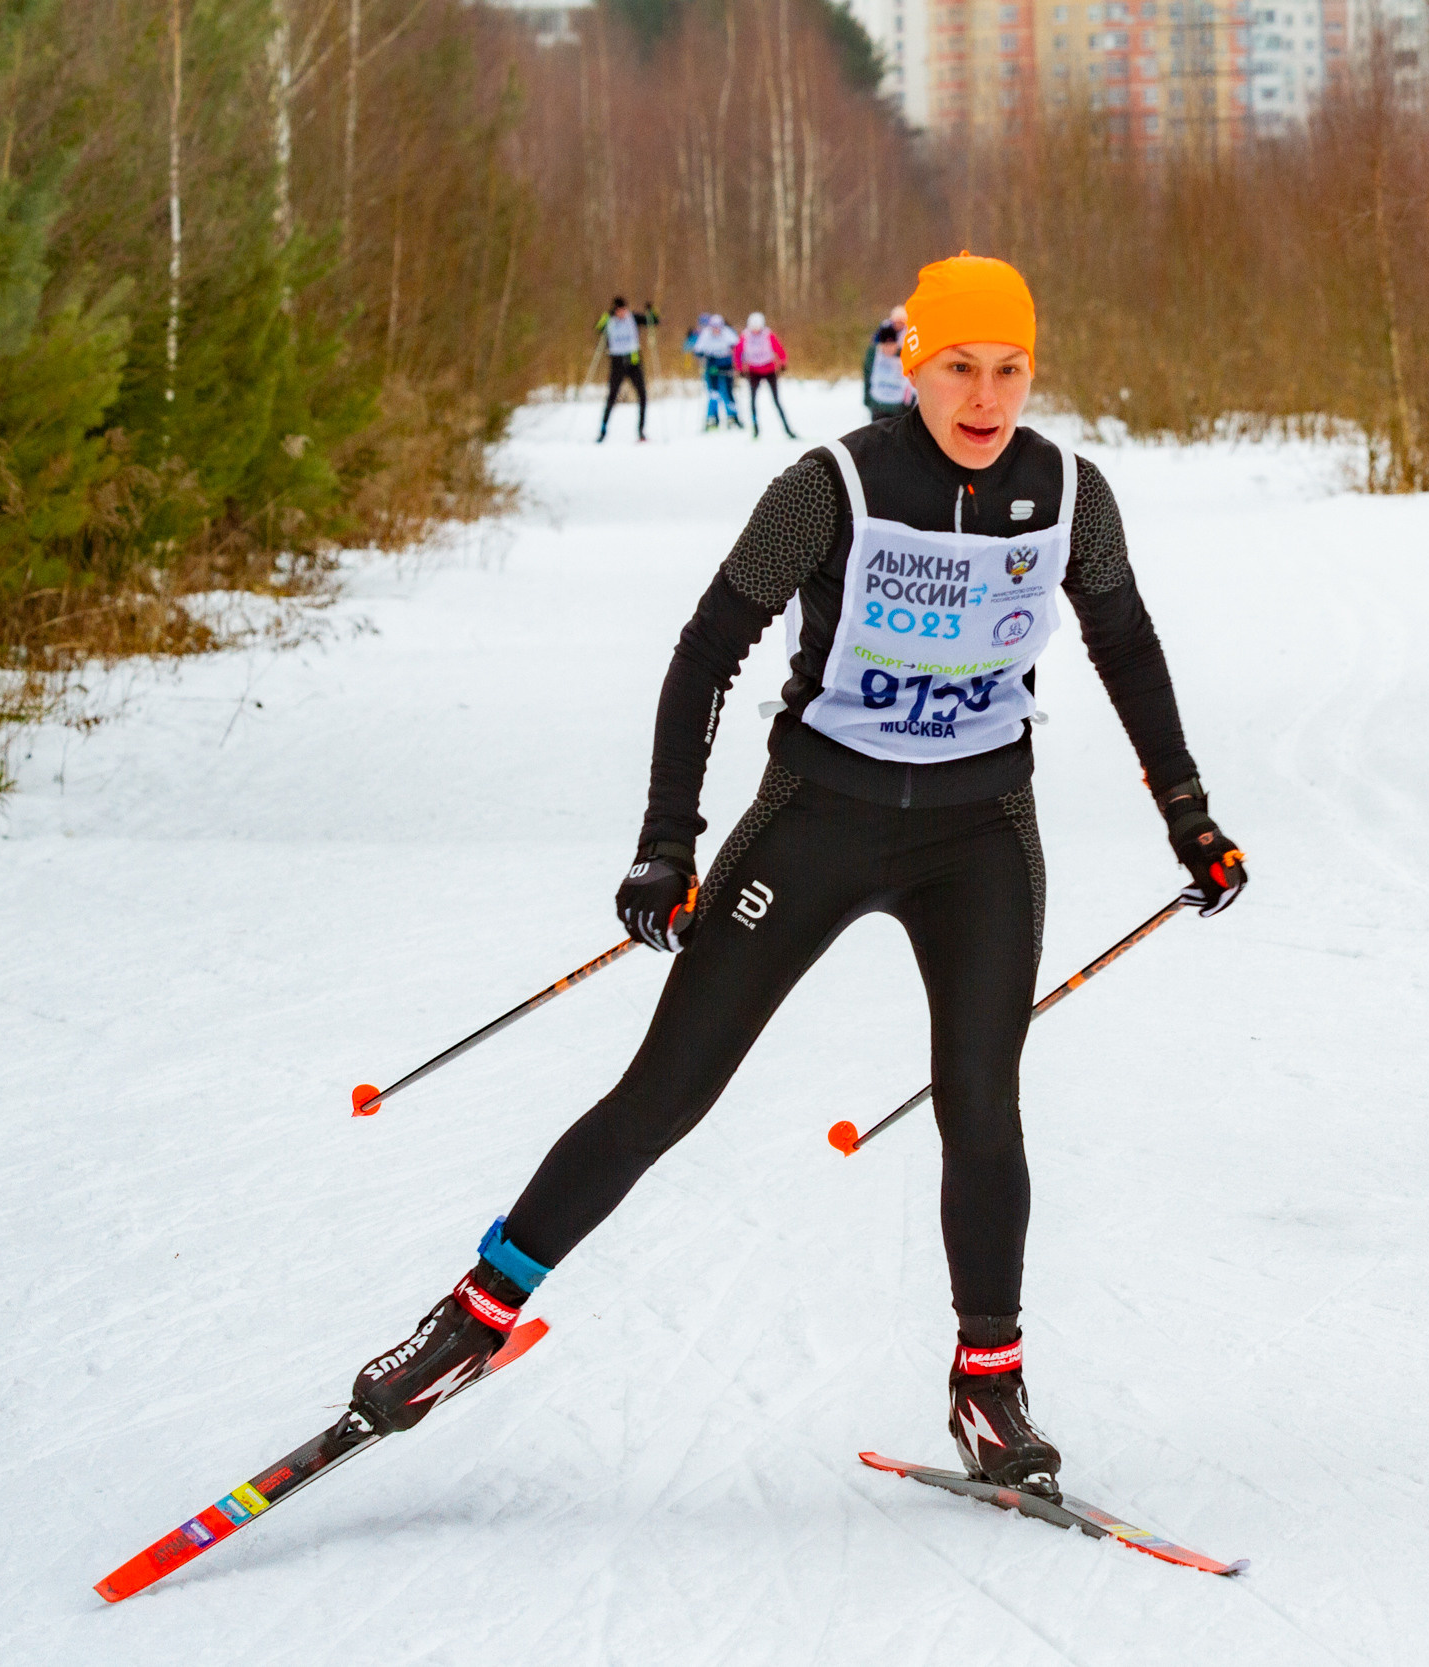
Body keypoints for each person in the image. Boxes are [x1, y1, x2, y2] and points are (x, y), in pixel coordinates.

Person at [344, 254, 1248, 1503]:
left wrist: (1188, 814)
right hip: (818, 820)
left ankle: (987, 1388)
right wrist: (667, 841)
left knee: (981, 1102)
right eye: (959, 367)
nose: (985, 396)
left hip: (980, 832)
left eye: (1010, 369)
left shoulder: (1069, 495)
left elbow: (1128, 648)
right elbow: (705, 653)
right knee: (666, 1091)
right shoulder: (831, 486)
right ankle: (472, 1320)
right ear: (912, 365)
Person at [595, 297, 659, 443]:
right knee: (612, 396)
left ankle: (641, 431)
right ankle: (603, 430)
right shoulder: (609, 320)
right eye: (619, 310)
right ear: (615, 310)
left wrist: (651, 311)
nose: (622, 313)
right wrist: (606, 316)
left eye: (624, 310)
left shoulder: (633, 318)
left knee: (642, 395)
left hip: (633, 361)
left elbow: (653, 321)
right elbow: (598, 328)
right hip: (617, 362)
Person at [735, 311, 795, 439]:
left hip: (769, 370)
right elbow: (738, 353)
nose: (756, 331)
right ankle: (755, 430)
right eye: (753, 328)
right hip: (754, 372)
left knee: (776, 401)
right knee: (752, 401)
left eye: (758, 328)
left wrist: (783, 362)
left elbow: (779, 348)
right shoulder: (745, 336)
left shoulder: (768, 334)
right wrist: (739, 368)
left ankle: (788, 430)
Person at [690, 312, 743, 432]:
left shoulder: (727, 332)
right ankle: (712, 418)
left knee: (728, 391)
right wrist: (700, 353)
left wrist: (737, 357)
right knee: (713, 392)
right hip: (712, 364)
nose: (716, 330)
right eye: (714, 327)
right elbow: (698, 349)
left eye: (718, 327)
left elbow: (736, 345)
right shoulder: (706, 334)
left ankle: (732, 417)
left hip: (726, 364)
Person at [864, 304, 917, 423]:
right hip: (879, 397)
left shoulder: (910, 336)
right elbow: (868, 370)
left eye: (901, 322)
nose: (898, 325)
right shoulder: (883, 332)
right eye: (896, 322)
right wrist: (868, 399)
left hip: (901, 399)